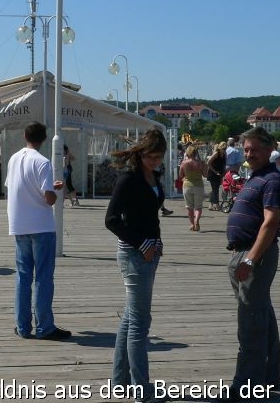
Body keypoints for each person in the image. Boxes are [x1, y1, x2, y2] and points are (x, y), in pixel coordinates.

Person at [224, 127, 280, 397]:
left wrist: (250, 260)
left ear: (269, 148)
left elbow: (271, 222)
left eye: (254, 149)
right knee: (262, 317)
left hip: (254, 255)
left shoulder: (273, 180)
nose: (249, 154)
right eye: (246, 149)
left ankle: (246, 388)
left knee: (250, 323)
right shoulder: (257, 177)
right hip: (243, 252)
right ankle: (269, 379)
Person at [105, 129, 167, 403]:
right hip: (133, 254)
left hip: (150, 253)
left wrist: (157, 243)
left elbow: (151, 215)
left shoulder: (155, 176)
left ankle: (120, 381)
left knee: (131, 318)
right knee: (140, 322)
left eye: (159, 156)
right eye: (151, 156)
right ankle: (142, 389)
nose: (155, 161)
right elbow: (111, 220)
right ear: (140, 154)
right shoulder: (127, 179)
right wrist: (143, 244)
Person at [4, 122, 70, 340]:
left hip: (19, 224)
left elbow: (14, 187)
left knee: (23, 277)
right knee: (42, 277)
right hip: (41, 225)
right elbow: (48, 198)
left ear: (25, 135)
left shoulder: (14, 159)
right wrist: (55, 189)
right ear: (44, 138)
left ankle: (22, 326)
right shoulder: (43, 162)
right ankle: (44, 327)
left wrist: (48, 187)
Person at [179, 144, 207, 231]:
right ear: (195, 153)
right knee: (198, 207)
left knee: (189, 207)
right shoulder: (201, 163)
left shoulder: (183, 163)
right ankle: (196, 221)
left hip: (187, 186)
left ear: (187, 153)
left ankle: (192, 224)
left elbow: (180, 175)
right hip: (198, 186)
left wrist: (185, 177)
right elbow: (205, 175)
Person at [206, 142, 227, 211]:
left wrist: (223, 173)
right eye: (223, 149)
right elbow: (208, 163)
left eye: (225, 148)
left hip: (219, 173)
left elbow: (224, 165)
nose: (224, 150)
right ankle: (217, 205)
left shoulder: (224, 154)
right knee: (215, 189)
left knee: (215, 188)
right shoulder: (216, 153)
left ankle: (210, 204)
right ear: (220, 148)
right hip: (213, 173)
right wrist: (215, 172)